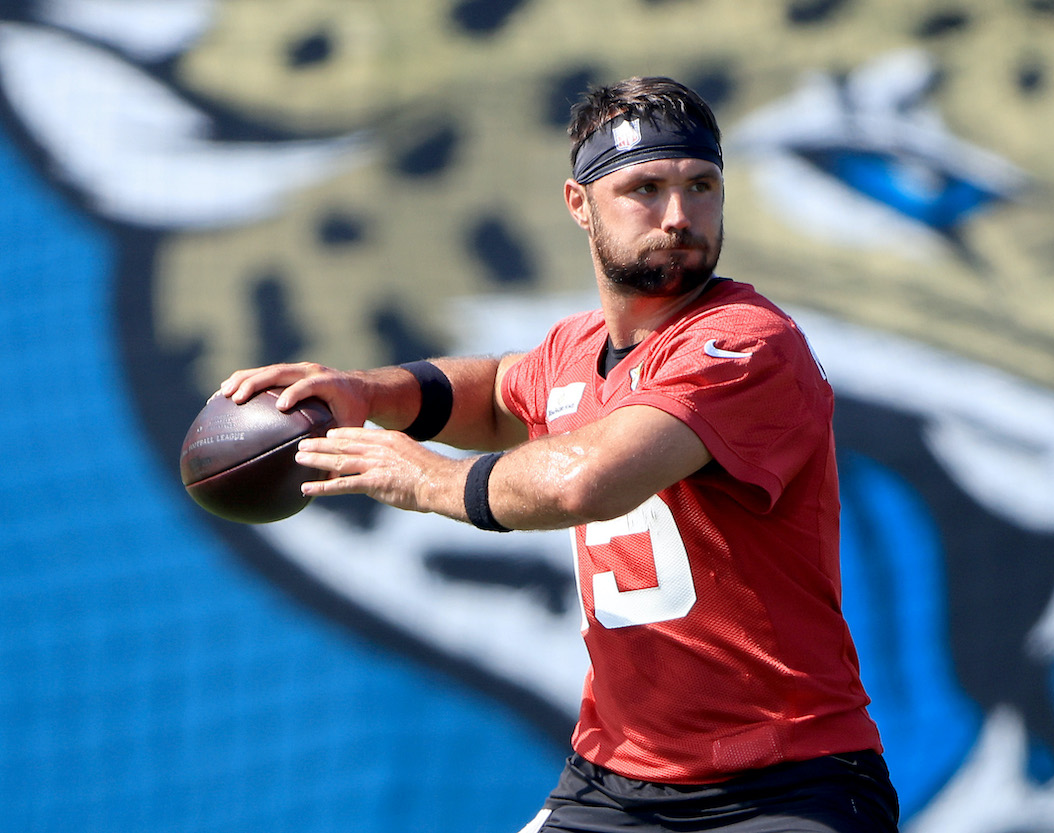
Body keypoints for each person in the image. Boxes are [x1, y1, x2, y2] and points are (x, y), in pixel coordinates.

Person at [220, 76, 900, 833]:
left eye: (701, 186)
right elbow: (492, 390)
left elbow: (590, 478)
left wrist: (429, 479)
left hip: (784, 785)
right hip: (614, 780)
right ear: (580, 204)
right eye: (645, 188)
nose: (680, 216)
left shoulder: (744, 343)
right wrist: (363, 389)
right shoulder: (576, 348)